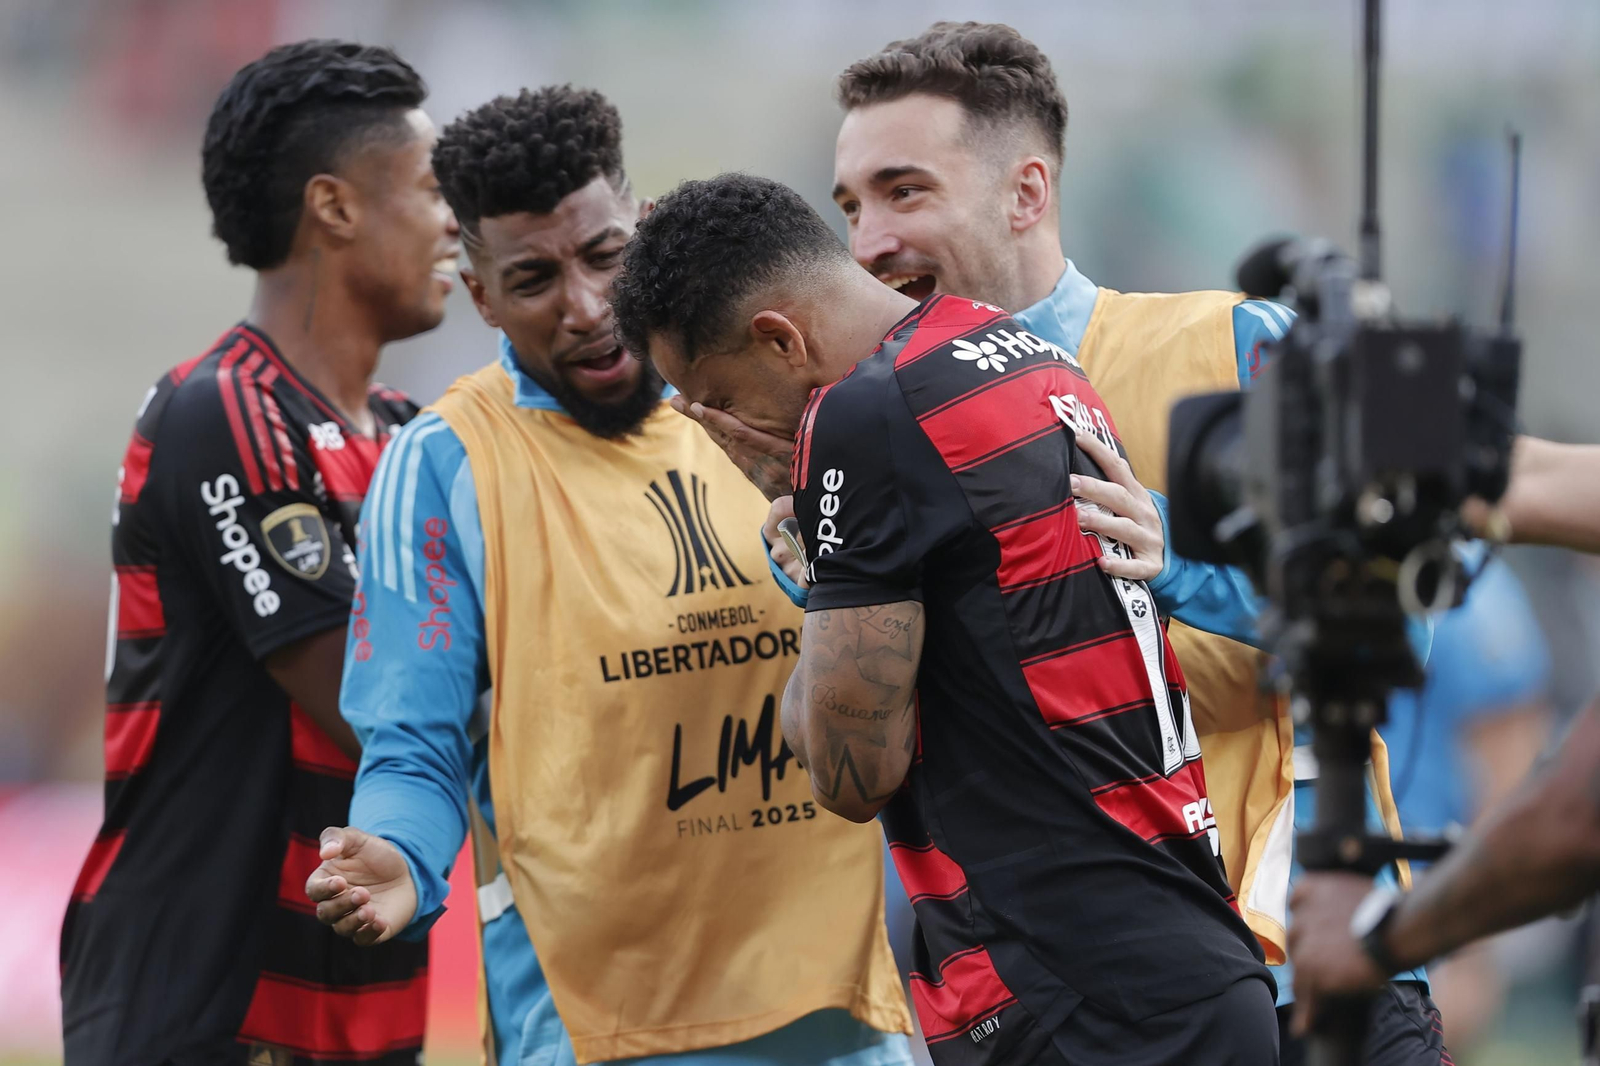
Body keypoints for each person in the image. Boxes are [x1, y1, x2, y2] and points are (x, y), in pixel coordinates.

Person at [671, 21, 1441, 1064]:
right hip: (1063, 1002)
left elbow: (1410, 617)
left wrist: (1176, 565)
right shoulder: (848, 447)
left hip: (1314, 971)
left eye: (905, 191)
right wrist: (825, 582)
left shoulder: (1234, 341)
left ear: (1025, 193)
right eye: (848, 205)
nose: (869, 241)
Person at [303, 87, 913, 1066]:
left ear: (641, 225)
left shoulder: (778, 401)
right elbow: (412, 743)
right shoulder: (443, 466)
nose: (588, 308)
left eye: (603, 257)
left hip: (838, 1024)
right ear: (481, 293)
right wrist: (400, 856)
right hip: (598, 1036)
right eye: (535, 277)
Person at [612, 171, 1278, 1065]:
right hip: (1186, 948)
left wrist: (814, 558)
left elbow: (852, 776)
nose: (726, 432)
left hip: (1065, 986)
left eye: (719, 402)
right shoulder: (1024, 351)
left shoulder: (863, 415)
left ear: (777, 338)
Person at [61, 40, 457, 1065]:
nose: (453, 221)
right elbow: (366, 697)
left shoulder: (417, 437)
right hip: (202, 991)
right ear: (335, 207)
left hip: (364, 987)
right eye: (428, 187)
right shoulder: (224, 410)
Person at [1289, 442, 1600, 1031]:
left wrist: (1388, 941)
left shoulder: (1475, 595)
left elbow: (1569, 811)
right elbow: (1532, 478)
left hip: (1423, 909)